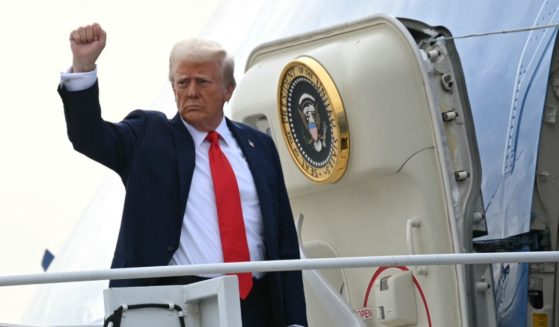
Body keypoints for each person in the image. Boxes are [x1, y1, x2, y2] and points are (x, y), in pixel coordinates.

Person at [59, 23, 307, 327]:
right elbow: (89, 137)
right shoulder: (149, 136)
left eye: (202, 82)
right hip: (177, 306)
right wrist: (83, 66)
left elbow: (283, 239)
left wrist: (295, 321)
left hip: (258, 306)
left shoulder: (260, 146)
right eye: (182, 82)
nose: (191, 92)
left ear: (228, 90)